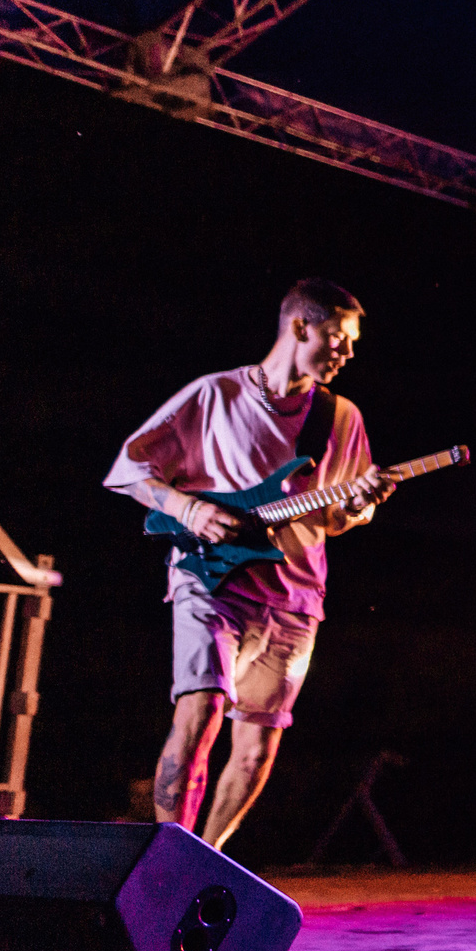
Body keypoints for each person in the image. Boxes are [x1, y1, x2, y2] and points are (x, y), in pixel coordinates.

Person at [105, 279, 391, 847]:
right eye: (339, 338)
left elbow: (333, 515)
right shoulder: (215, 395)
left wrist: (358, 508)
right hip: (213, 579)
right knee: (202, 712)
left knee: (258, 746)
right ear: (301, 327)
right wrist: (186, 506)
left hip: (295, 595)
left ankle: (206, 859)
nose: (348, 353)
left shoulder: (341, 417)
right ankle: (170, 858)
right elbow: (129, 468)